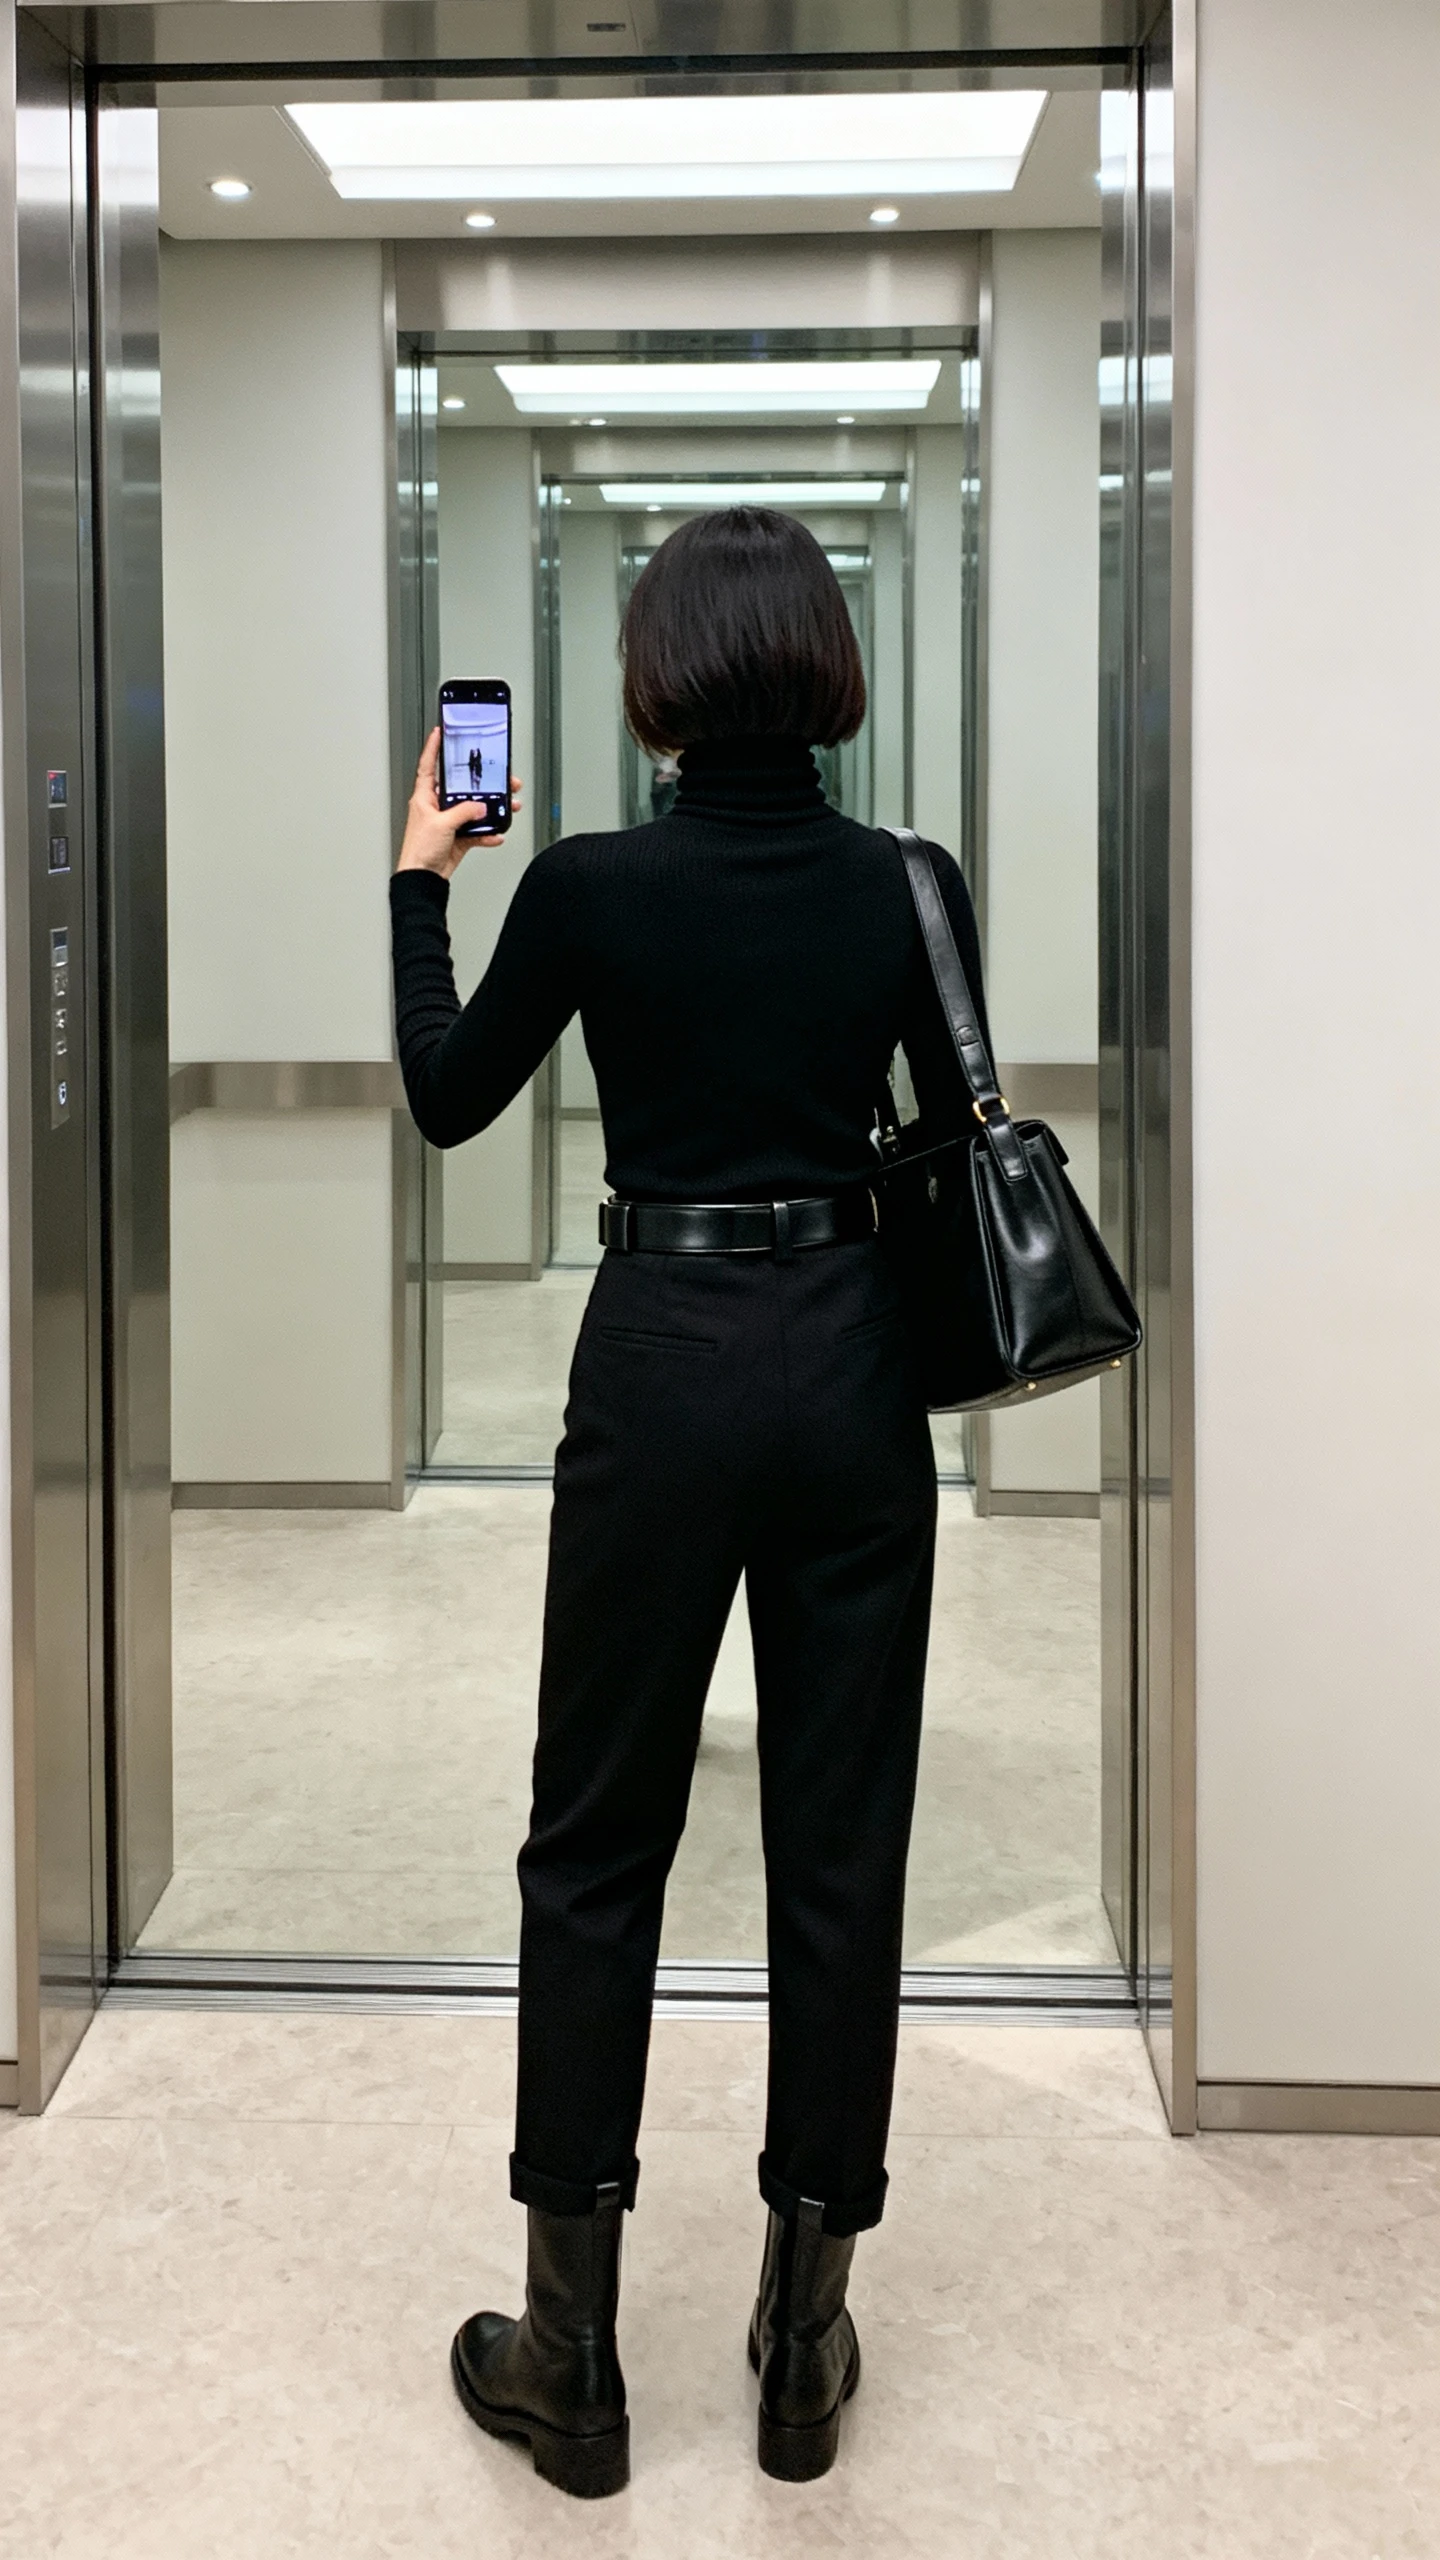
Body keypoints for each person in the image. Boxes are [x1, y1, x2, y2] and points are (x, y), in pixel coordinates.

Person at [389, 507, 988, 2498]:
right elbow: (931, 1128)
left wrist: (423, 882)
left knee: (594, 1846)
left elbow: (453, 1092)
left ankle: (573, 2361)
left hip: (656, 1362)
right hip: (847, 1378)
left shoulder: (585, 883)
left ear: (657, 676)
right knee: (840, 1850)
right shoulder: (908, 886)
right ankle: (803, 2340)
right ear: (826, 667)